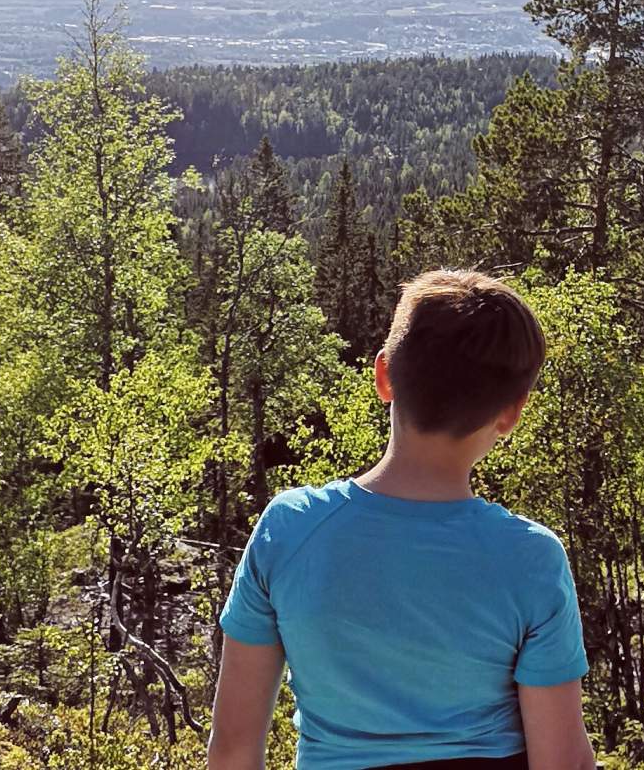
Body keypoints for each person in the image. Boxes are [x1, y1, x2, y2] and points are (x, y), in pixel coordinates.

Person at [208, 270, 597, 770]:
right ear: (511, 413)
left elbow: (233, 751)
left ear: (384, 376)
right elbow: (561, 763)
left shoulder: (288, 530)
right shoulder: (532, 558)